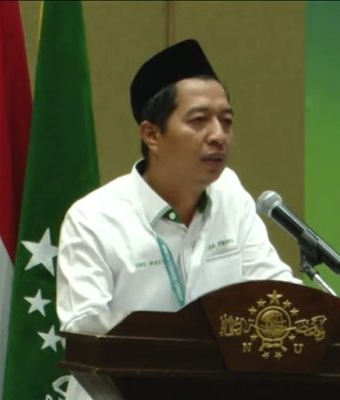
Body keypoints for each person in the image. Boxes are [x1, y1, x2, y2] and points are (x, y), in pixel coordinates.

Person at [56, 39, 301, 400]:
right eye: (199, 121)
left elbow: (273, 289)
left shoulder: (231, 196)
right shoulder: (94, 217)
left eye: (226, 121)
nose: (218, 136)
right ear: (152, 135)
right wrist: (180, 347)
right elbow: (84, 328)